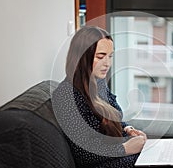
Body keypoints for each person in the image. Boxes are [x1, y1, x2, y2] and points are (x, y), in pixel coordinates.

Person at [52, 26, 147, 168]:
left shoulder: (98, 82)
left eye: (110, 56)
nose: (107, 63)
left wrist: (128, 129)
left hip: (115, 155)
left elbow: (113, 117)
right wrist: (126, 148)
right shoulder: (66, 95)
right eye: (100, 57)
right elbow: (84, 154)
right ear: (82, 57)